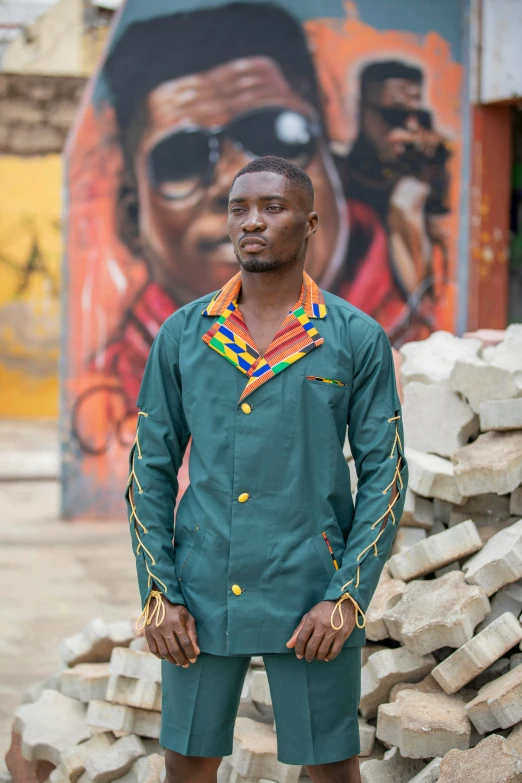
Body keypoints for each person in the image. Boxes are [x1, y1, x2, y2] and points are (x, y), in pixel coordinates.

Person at [126, 156, 408, 781]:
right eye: (239, 209)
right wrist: (158, 594)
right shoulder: (185, 334)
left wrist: (347, 598)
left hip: (313, 585)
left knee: (331, 766)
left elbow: (384, 475)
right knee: (188, 763)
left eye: (272, 208)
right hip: (199, 589)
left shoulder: (353, 338)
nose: (252, 222)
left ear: (309, 223)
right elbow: (149, 469)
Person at [95, 3, 396, 414]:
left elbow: (381, 462)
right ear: (132, 219)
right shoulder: (144, 363)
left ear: (335, 166)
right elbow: (153, 462)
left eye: (274, 133)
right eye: (182, 159)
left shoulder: (369, 337)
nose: (237, 182)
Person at [340, 60, 452, 336]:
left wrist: (429, 173)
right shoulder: (340, 176)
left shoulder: (421, 174)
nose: (411, 128)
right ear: (362, 111)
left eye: (418, 117)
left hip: (402, 330)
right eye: (394, 116)